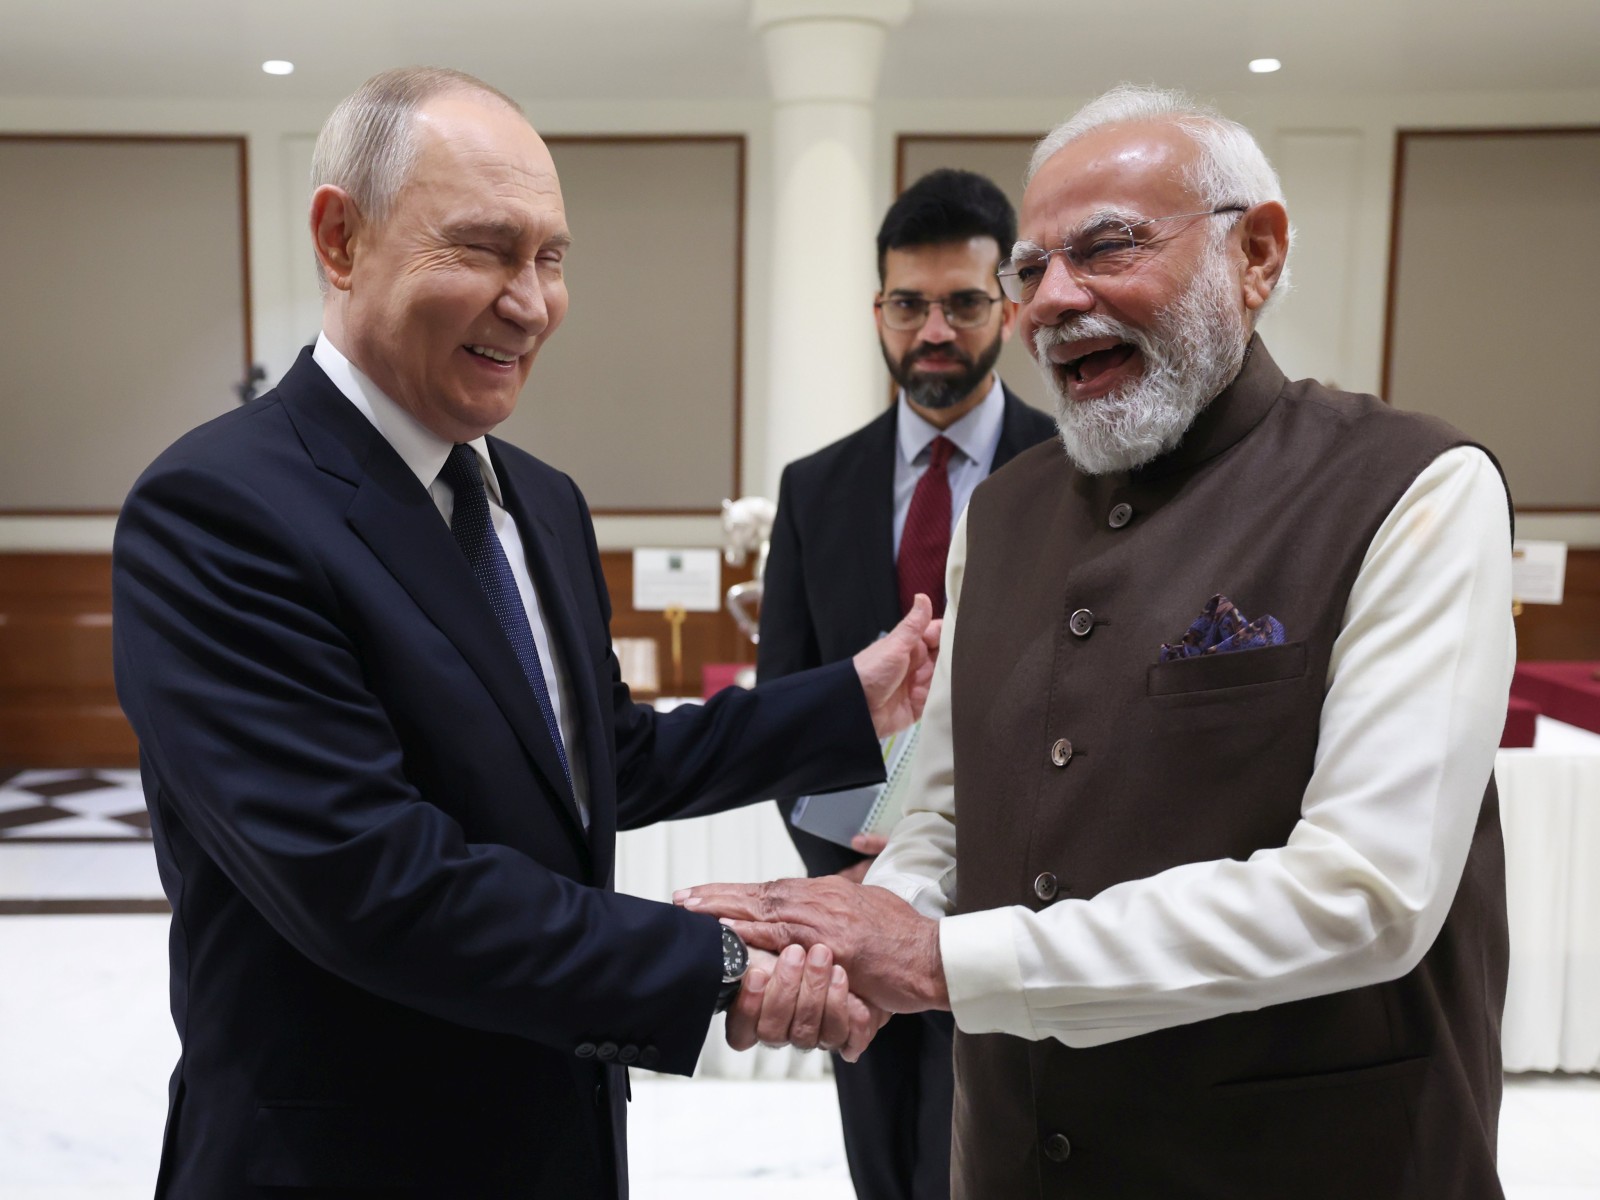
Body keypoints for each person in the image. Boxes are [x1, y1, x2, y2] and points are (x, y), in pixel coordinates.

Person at [111, 66, 935, 1200]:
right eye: (486, 249)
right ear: (340, 239)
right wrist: (720, 964)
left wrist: (852, 698)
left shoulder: (538, 502)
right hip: (336, 1160)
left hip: (556, 1139)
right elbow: (372, 883)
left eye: (550, 258)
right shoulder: (217, 510)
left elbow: (599, 757)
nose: (531, 301)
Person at [682, 83, 1516, 1199]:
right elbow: (937, 811)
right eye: (1031, 270)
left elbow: (1366, 894)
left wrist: (937, 962)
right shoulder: (1007, 513)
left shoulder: (1411, 486)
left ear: (1255, 253)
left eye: (1107, 247)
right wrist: (870, 921)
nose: (1054, 300)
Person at [757, 167, 1055, 1200]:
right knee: (882, 1159)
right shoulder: (812, 488)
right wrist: (854, 866)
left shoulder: (1074, 474)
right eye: (908, 303)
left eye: (963, 302)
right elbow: (782, 700)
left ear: (1007, 309)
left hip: (1022, 897)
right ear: (877, 312)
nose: (935, 328)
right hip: (850, 878)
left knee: (995, 1152)